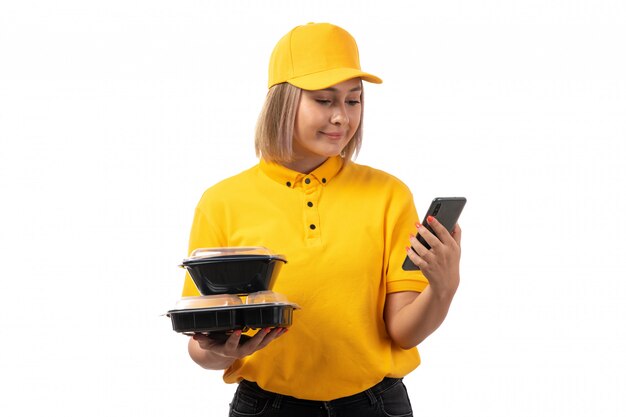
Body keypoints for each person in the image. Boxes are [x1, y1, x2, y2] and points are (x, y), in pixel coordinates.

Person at [182, 22, 462, 417]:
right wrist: (219, 350)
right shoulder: (221, 202)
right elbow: (200, 346)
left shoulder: (389, 194)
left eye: (353, 100)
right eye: (324, 100)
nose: (341, 118)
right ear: (283, 101)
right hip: (267, 408)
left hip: (375, 406)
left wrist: (443, 287)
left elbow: (402, 332)